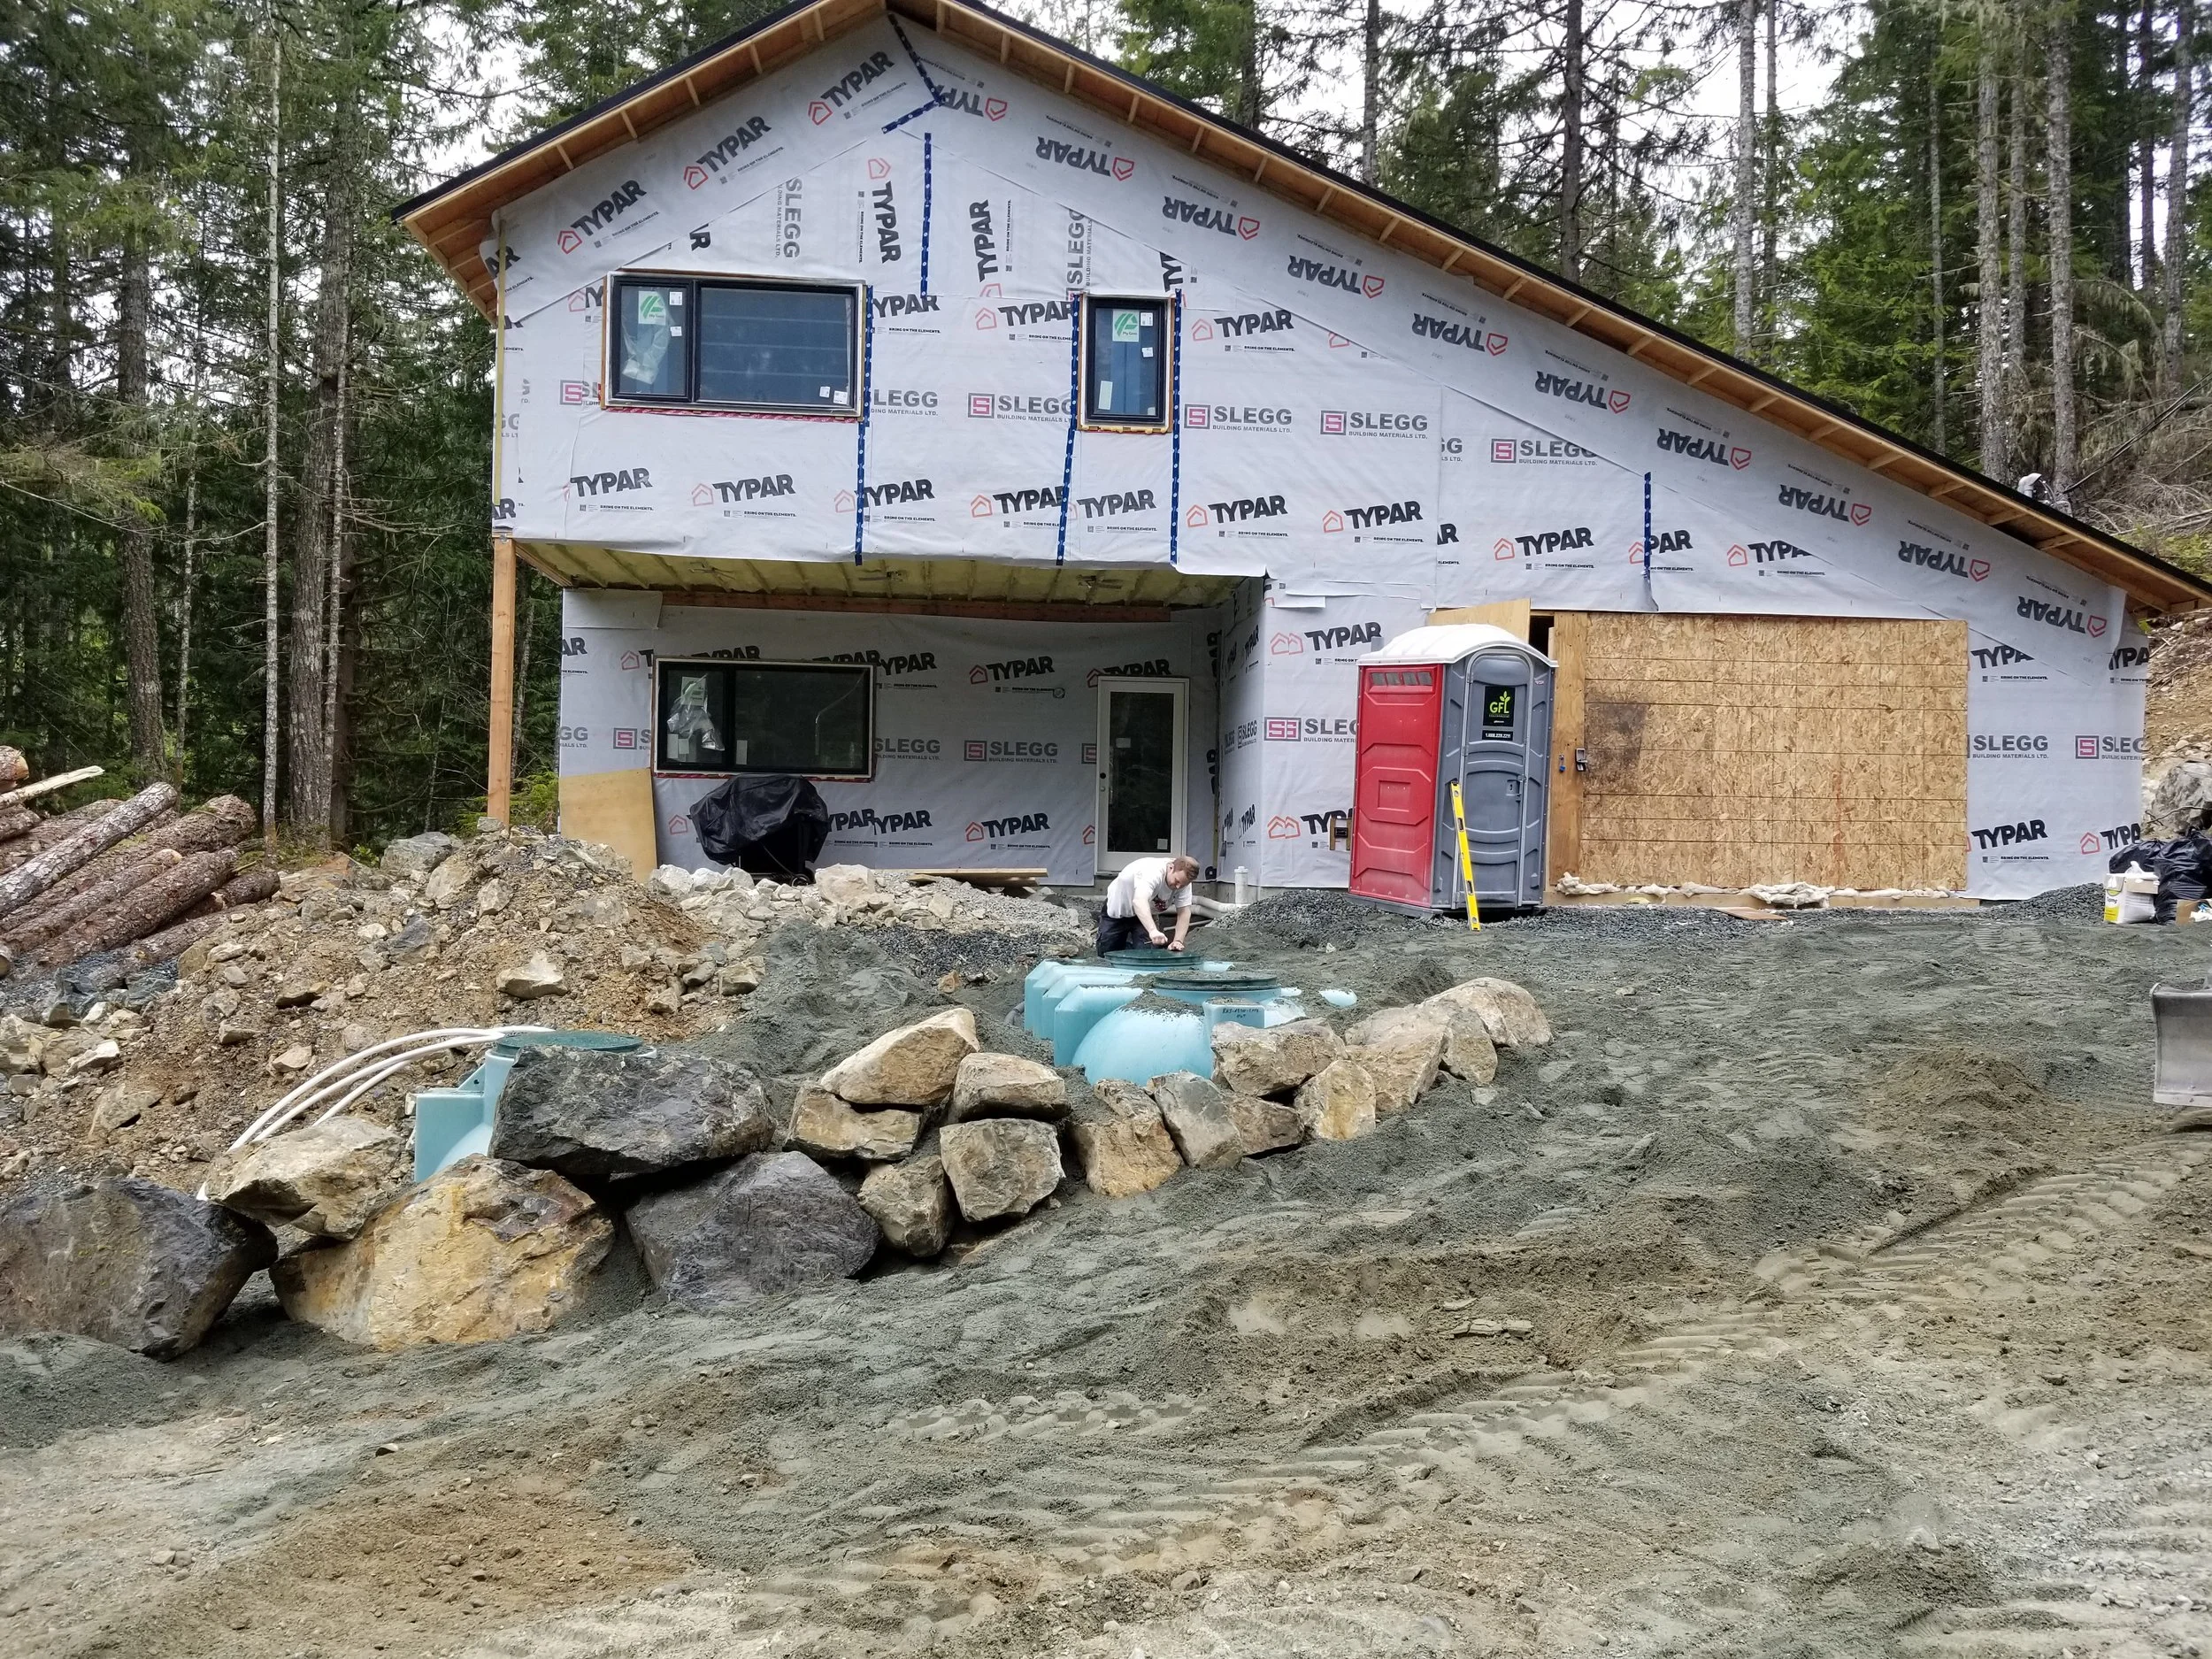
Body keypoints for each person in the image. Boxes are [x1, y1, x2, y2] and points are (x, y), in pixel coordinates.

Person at [1098, 853, 1199, 956]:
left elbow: (1184, 912)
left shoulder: (1183, 880)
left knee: (1147, 954)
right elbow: (1139, 901)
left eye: (1182, 885)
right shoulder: (1152, 872)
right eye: (1176, 881)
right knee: (1107, 954)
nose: (1178, 887)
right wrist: (1153, 930)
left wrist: (1178, 941)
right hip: (1117, 912)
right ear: (1171, 868)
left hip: (1145, 915)